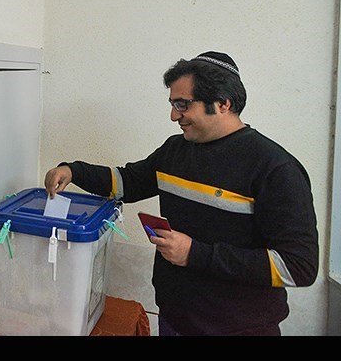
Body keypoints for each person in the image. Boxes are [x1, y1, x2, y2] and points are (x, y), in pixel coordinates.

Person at [44, 51, 319, 336]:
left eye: (183, 104)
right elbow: (127, 181)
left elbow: (297, 266)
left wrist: (194, 254)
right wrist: (74, 171)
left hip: (238, 328)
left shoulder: (274, 168)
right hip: (173, 319)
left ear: (223, 103)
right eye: (173, 104)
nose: (174, 115)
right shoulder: (175, 150)